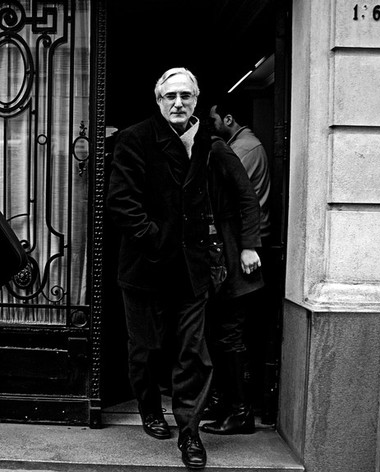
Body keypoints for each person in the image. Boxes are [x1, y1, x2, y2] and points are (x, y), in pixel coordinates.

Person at [107, 67, 240, 470]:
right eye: (170, 97)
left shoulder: (208, 144)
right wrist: (156, 238)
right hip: (146, 267)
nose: (178, 103)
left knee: (193, 354)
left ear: (197, 100)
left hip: (191, 269)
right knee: (146, 348)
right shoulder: (134, 139)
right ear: (158, 100)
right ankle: (150, 409)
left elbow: (220, 200)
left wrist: (218, 250)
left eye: (186, 96)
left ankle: (190, 433)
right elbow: (120, 203)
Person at [200, 129, 264, 435]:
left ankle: (241, 412)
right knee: (214, 336)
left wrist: (249, 245)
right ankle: (223, 403)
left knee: (230, 336)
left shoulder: (217, 149)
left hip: (232, 259)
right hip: (212, 263)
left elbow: (247, 197)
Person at [208, 98, 270, 240]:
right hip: (253, 230)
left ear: (228, 119)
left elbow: (229, 190)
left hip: (250, 234)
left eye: (214, 120)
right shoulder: (244, 143)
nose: (212, 126)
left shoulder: (242, 148)